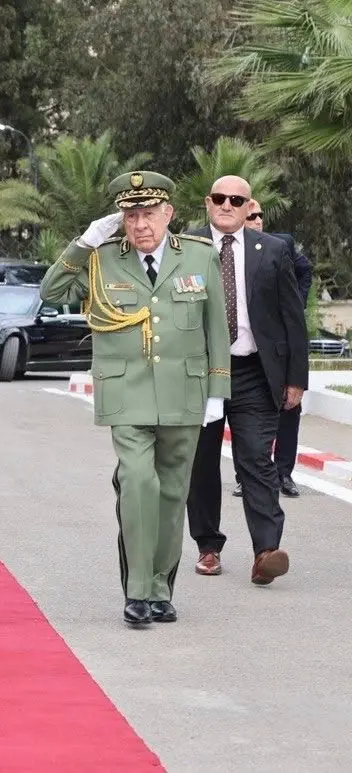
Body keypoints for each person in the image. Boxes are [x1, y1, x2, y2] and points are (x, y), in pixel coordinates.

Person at [41, 171, 230, 625]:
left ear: (169, 214)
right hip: (126, 393)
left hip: (184, 392)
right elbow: (52, 291)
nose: (140, 224)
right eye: (131, 215)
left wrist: (217, 392)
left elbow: (216, 330)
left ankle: (162, 589)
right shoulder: (102, 258)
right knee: (137, 483)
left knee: (171, 492)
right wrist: (83, 243)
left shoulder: (200, 257)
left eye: (149, 214)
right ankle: (138, 590)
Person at [185, 176, 308, 585]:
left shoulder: (272, 249)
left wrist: (296, 379)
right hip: (201, 373)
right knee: (201, 462)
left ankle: (266, 552)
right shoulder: (186, 247)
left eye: (236, 200)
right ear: (208, 202)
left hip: (255, 371)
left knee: (256, 459)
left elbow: (293, 317)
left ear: (247, 205)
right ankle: (208, 546)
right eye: (219, 198)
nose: (227, 205)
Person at [232, 201, 312, 500]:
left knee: (289, 411)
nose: (257, 221)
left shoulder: (281, 245)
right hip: (248, 354)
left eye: (260, 216)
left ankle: (284, 473)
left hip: (282, 346)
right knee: (244, 418)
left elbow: (305, 270)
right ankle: (244, 476)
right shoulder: (228, 249)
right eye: (251, 216)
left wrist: (297, 302)